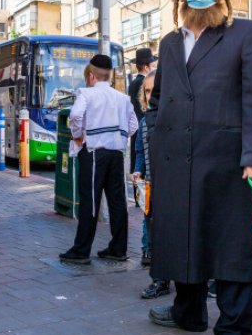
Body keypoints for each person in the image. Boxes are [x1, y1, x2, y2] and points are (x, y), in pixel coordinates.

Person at [146, 0, 252, 335]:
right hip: (175, 162)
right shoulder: (170, 43)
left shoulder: (246, 34)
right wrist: (155, 139)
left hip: (229, 162)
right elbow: (158, 100)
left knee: (230, 248)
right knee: (181, 238)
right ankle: (187, 313)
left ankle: (235, 330)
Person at [59, 55, 138, 265]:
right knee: (118, 201)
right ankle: (118, 248)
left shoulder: (86, 94)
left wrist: (77, 136)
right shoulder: (122, 98)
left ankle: (81, 250)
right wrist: (118, 136)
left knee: (90, 201)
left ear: (91, 75)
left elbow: (75, 116)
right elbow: (133, 126)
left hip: (93, 152)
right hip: (116, 153)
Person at [132, 70, 170, 299]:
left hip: (172, 186)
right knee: (154, 231)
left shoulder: (174, 118)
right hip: (152, 187)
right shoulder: (145, 121)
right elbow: (139, 151)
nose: (151, 95)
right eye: (147, 91)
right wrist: (138, 170)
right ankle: (160, 280)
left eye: (156, 90)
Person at [128, 48, 158, 207]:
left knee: (138, 160)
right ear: (146, 67)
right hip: (146, 128)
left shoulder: (133, 83)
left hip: (138, 129)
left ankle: (139, 196)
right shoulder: (146, 81)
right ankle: (142, 197)